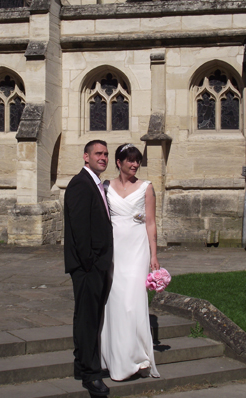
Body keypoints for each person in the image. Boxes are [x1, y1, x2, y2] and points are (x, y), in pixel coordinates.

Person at [100, 143, 160, 381]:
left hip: (137, 249)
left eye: (138, 161)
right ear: (119, 162)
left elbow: (151, 222)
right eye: (130, 161)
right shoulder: (105, 187)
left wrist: (154, 255)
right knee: (114, 301)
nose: (135, 165)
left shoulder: (147, 187)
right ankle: (114, 357)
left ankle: (136, 357)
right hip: (114, 249)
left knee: (131, 302)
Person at [64, 140, 113, 396]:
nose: (103, 157)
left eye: (106, 153)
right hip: (87, 267)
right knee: (88, 319)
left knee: (86, 318)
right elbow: (80, 229)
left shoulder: (95, 183)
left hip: (94, 265)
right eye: (98, 153)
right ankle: (92, 377)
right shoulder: (80, 184)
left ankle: (81, 366)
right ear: (86, 156)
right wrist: (91, 261)